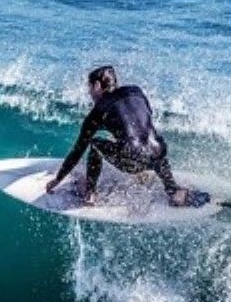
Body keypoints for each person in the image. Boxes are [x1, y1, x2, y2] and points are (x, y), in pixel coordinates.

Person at [45, 66, 197, 206]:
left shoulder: (98, 111)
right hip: (159, 152)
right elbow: (143, 119)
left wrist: (58, 179)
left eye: (90, 88)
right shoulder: (136, 91)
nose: (89, 93)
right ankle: (173, 189)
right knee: (149, 141)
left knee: (95, 144)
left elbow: (78, 150)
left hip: (132, 158)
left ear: (97, 85)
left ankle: (90, 192)